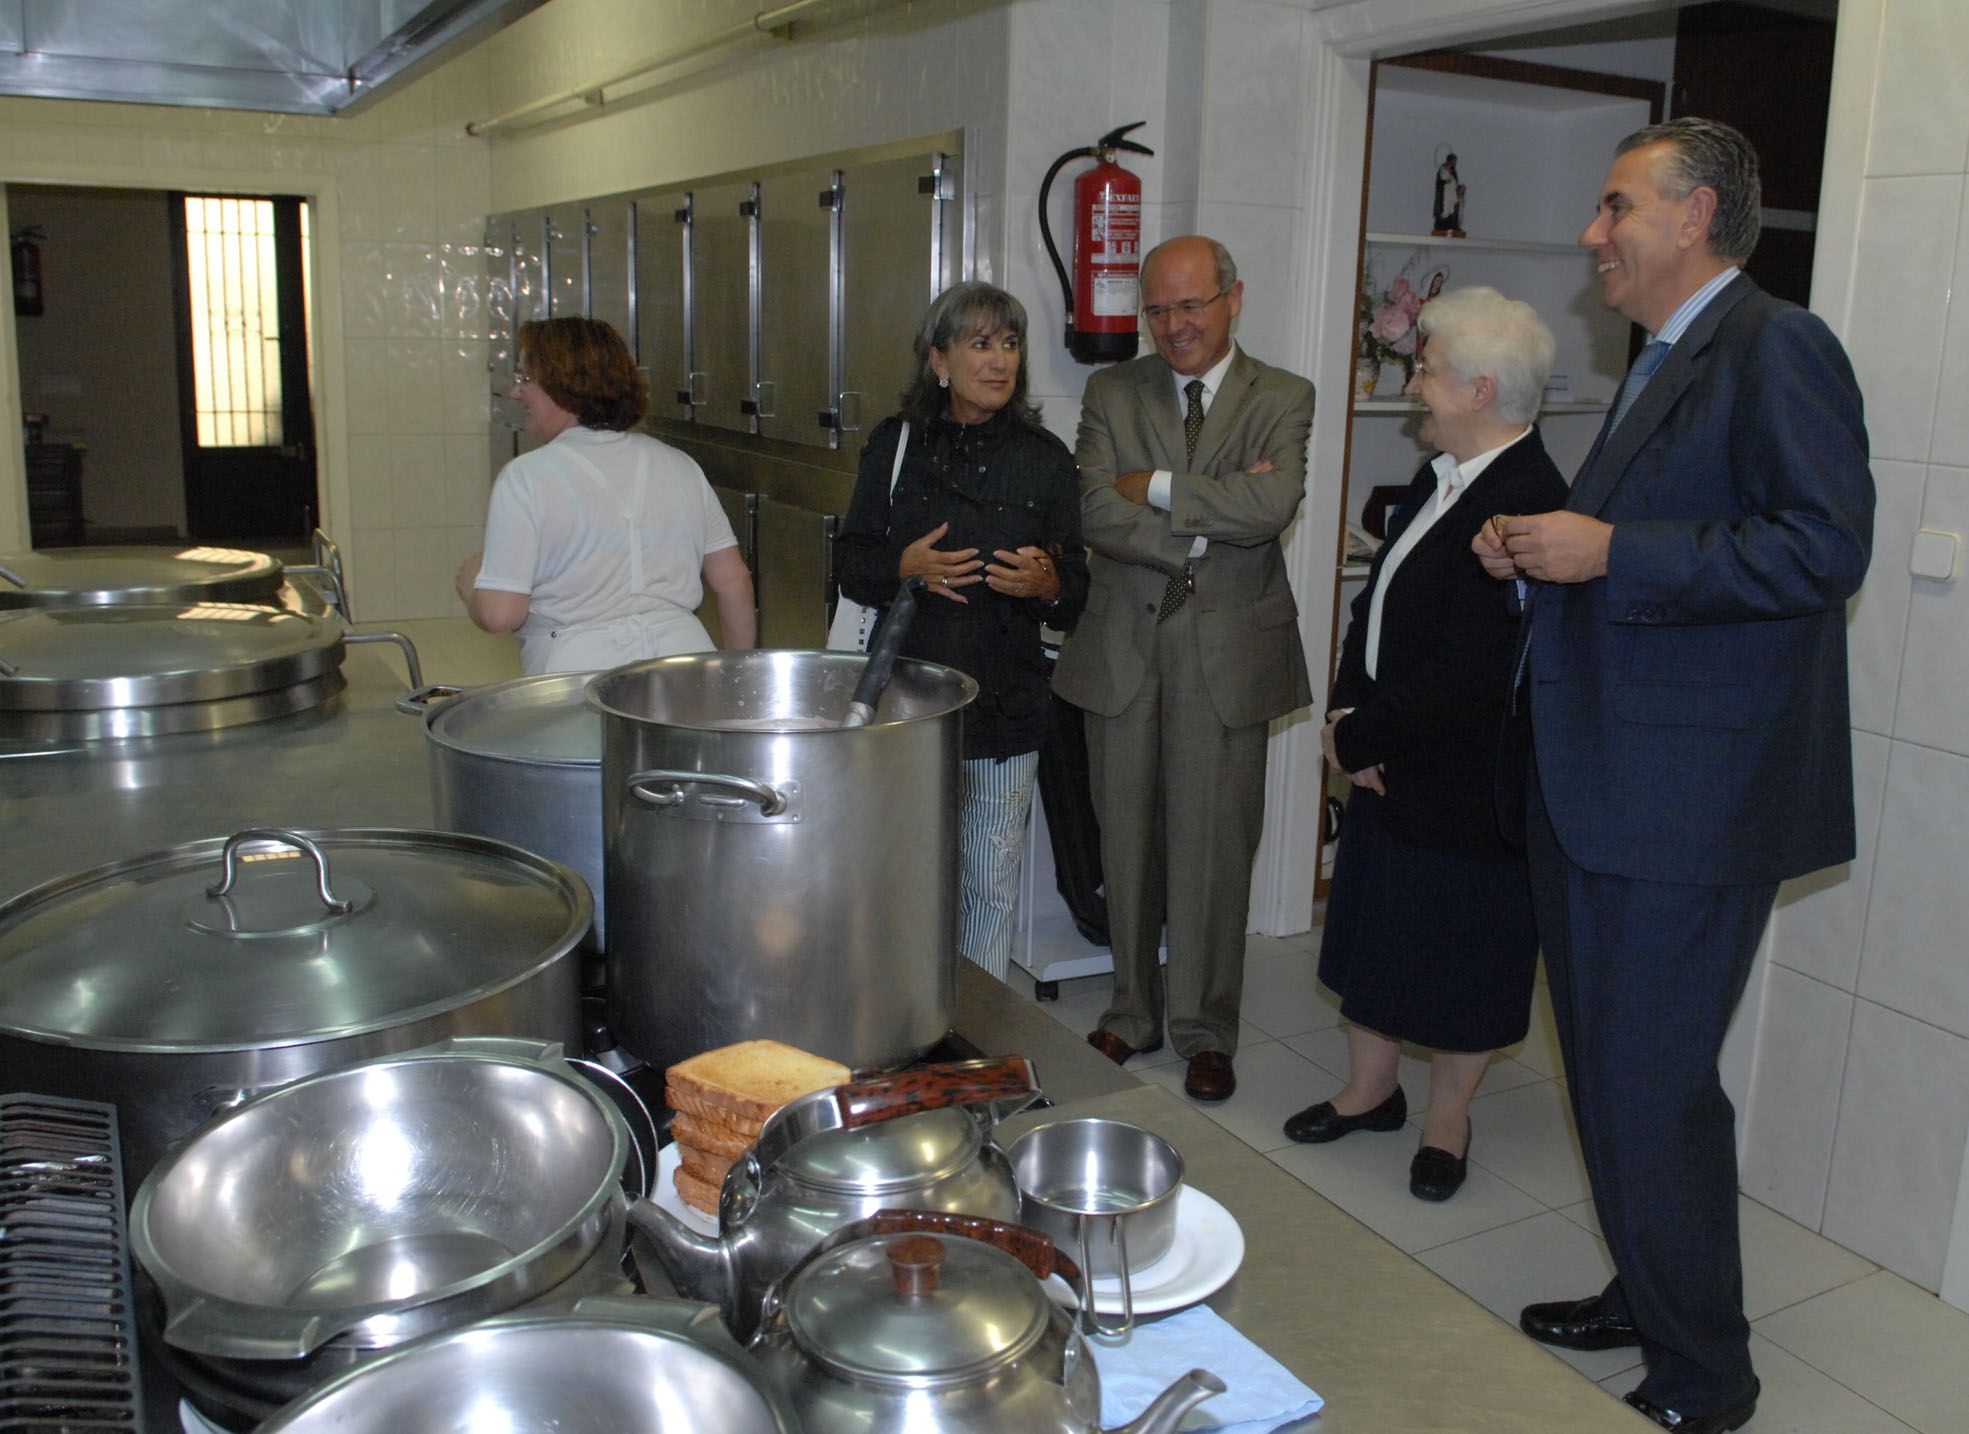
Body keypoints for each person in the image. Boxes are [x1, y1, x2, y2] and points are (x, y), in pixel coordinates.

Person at [1473, 118, 1872, 1434]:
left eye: (1614, 205)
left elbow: (1819, 550)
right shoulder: (1662, 359)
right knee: (1602, 1068)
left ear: (1694, 213)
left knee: (1651, 1081)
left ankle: (1707, 1373)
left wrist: (1610, 556)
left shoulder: (1777, 345)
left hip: (1687, 804)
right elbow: (1639, 543)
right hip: (1604, 783)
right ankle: (1646, 1291)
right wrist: (1543, 555)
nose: (1593, 233)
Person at [1282, 286, 1567, 1202]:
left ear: (1481, 389)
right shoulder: (1439, 476)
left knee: (1461, 956)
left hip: (1465, 780)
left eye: (1429, 371)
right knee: (1375, 932)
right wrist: (1344, 720)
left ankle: (1447, 1118)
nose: (1413, 387)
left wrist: (1362, 732)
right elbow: (1376, 609)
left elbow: (1473, 670)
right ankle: (1370, 1093)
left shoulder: (1525, 502)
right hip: (1388, 760)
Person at [1054, 235, 1315, 1102]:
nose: (1173, 326)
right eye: (1157, 310)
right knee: (1123, 840)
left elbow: (1272, 506)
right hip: (1124, 647)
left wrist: (1156, 488)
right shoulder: (1109, 389)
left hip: (1227, 655)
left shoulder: (1283, 394)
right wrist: (1212, 518)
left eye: (1191, 305)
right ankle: (1132, 1012)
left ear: (1232, 299)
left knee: (1212, 849)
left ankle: (1207, 1028)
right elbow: (1092, 509)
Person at [834, 282, 1088, 981]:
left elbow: (1075, 595)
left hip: (1005, 706)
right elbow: (850, 564)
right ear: (939, 360)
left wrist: (1049, 583)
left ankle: (976, 1036)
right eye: (979, 344)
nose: (998, 360)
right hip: (907, 709)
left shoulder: (1044, 459)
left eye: (1008, 344)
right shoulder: (896, 445)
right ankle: (894, 1014)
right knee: (899, 878)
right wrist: (903, 565)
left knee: (989, 881)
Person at [457, 316, 756, 674]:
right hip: (686, 668)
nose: (516, 392)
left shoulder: (527, 476)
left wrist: (472, 585)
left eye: (525, 379)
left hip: (578, 677)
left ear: (560, 384)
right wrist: (736, 679)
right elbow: (733, 581)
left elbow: (499, 614)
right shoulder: (680, 466)